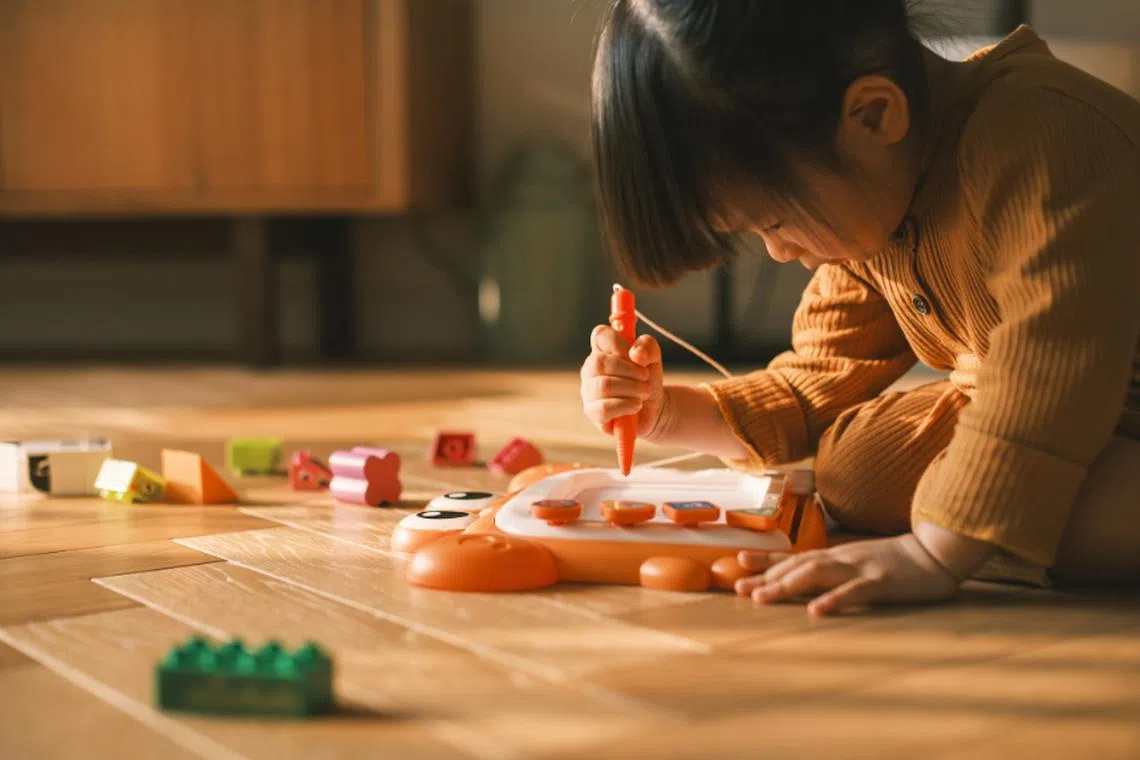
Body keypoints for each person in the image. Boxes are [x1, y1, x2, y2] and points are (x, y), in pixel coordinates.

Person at [580, 0, 1140, 617]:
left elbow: (1047, 361)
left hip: (1087, 398)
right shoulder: (879, 191)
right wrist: (664, 414)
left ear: (873, 115)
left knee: (1052, 498)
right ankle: (1004, 527)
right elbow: (821, 374)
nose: (780, 251)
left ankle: (997, 529)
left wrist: (933, 553)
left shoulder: (1045, 134)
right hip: (1071, 419)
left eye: (777, 220)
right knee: (855, 468)